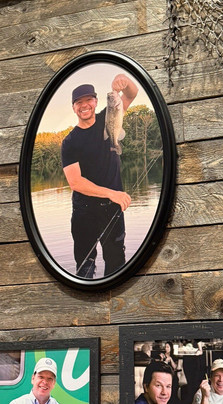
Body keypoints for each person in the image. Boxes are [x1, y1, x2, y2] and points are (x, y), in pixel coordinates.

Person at [61, 74, 138, 278]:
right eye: (79, 102)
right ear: (73, 107)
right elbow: (75, 182)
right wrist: (112, 193)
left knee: (116, 264)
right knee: (84, 267)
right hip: (84, 211)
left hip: (112, 209)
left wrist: (125, 81)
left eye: (88, 100)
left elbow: (132, 94)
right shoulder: (69, 142)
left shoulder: (109, 116)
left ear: (96, 102)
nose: (84, 105)